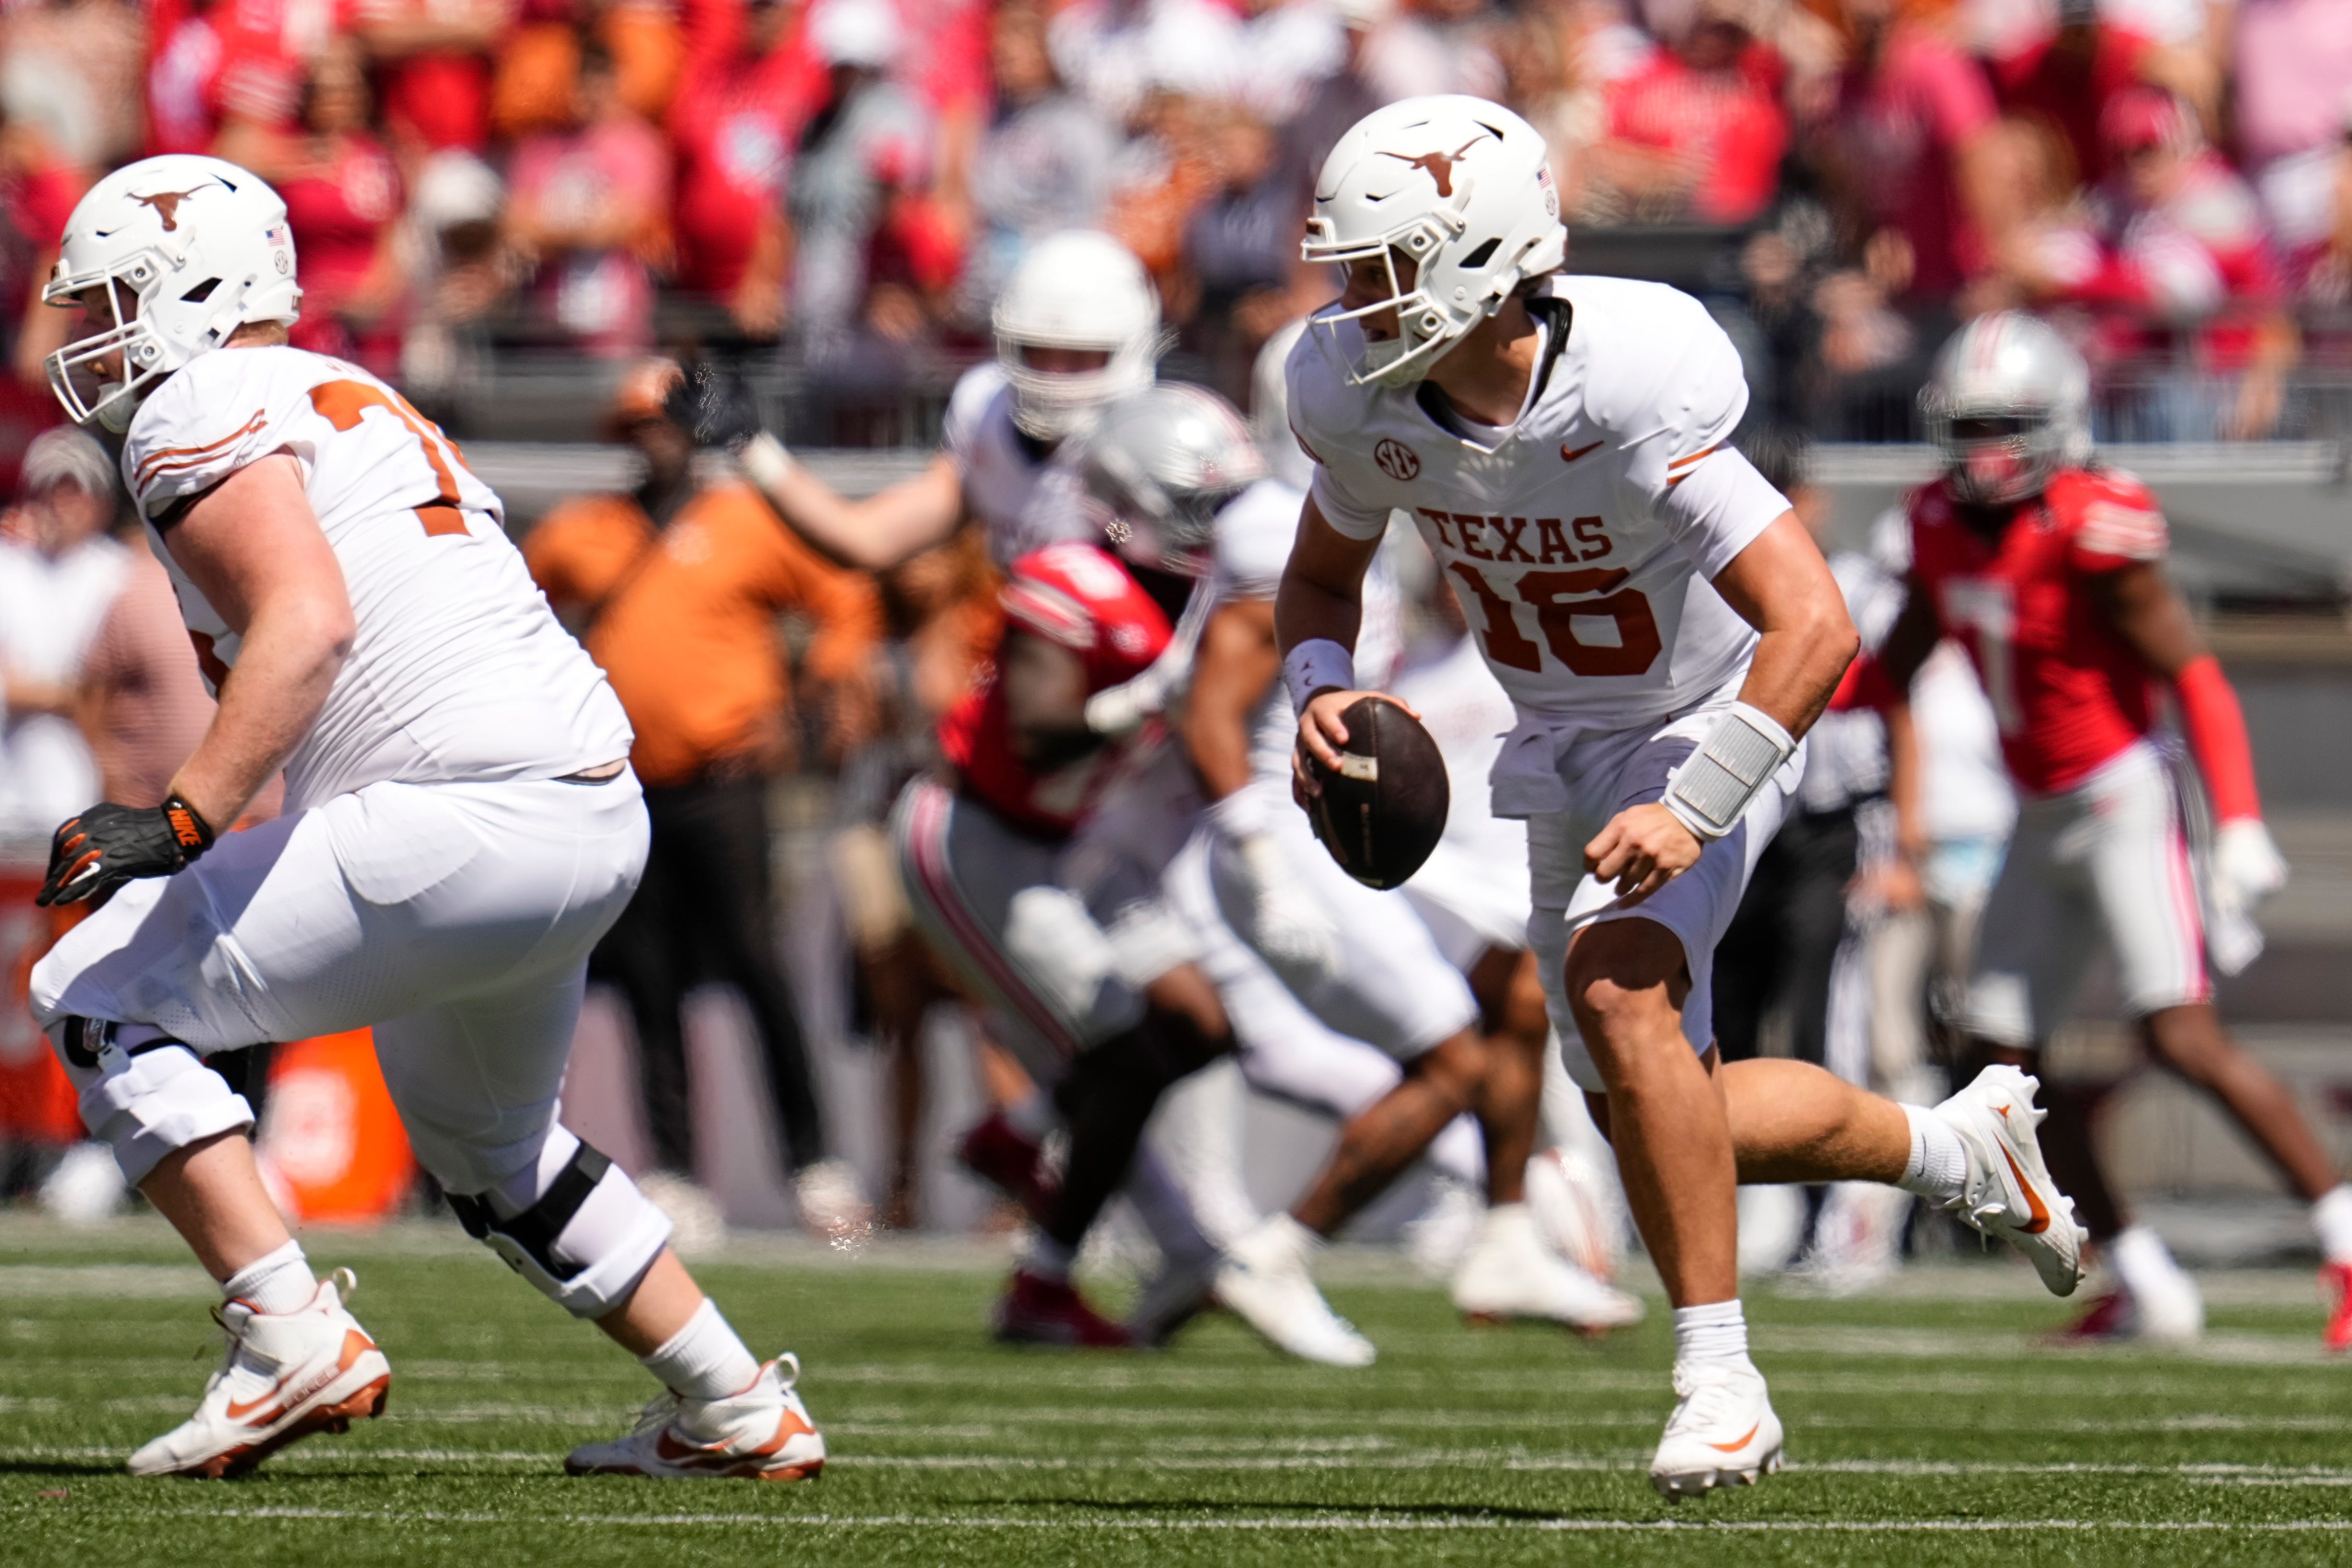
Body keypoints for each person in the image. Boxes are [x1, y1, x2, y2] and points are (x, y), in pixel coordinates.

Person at [1275, 96, 2086, 1498]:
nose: (1353, 305)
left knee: (1615, 994)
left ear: (1479, 261)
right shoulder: (1350, 395)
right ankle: (1952, 1148)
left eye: (1383, 270)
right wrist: (1316, 687)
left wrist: (1697, 801)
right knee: (1646, 1107)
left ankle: (1721, 1382)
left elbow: (1813, 625)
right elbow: (1317, 584)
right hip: (1558, 736)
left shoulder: (1634, 373)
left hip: (1703, 720)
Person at [29, 153, 820, 1482]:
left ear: (195, 291)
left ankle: (287, 1331)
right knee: (493, 1149)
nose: (94, 341)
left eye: (114, 301)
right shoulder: (353, 396)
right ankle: (734, 1401)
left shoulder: (202, 402)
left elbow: (308, 621)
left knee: (97, 990)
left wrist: (183, 813)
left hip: (461, 809)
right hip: (584, 805)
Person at [1114, 381, 1640, 1364]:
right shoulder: (1278, 525)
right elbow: (1214, 708)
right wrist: (1259, 856)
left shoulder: (1332, 510)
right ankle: (1276, 1250)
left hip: (1341, 836)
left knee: (1521, 986)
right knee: (1453, 1063)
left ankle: (1507, 1234)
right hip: (1293, 839)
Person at [1864, 311, 2352, 1350]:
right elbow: (1892, 669)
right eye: (1973, 425)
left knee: (2177, 1036)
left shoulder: (2095, 520)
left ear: (2062, 421)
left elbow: (2194, 672)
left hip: (2125, 794)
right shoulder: (1935, 523)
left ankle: (2343, 1234)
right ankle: (2139, 1276)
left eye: (2010, 425)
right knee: (2002, 1070)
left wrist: (2245, 820)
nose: (1988, 450)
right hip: (2036, 813)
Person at [523, 359, 880, 1239]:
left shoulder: (749, 523)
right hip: (626, 786)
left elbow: (846, 591)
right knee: (649, 981)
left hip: (727, 778)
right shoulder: (585, 532)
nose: (657, 441)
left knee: (761, 969)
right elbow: (512, 613)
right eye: (642, 427)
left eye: (667, 425)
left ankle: (815, 1166)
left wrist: (821, 687)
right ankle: (679, 1172)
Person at [892, 538, 1233, 1345]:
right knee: (1125, 1061)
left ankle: (1024, 1127)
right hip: (972, 833)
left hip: (1059, 846)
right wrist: (1143, 700)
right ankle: (1042, 1283)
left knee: (1197, 1026)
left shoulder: (1193, 615)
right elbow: (1039, 734)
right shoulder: (1080, 584)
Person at [739, 226, 1162, 575]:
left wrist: (1122, 534)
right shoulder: (986, 412)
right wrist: (750, 446)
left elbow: (1167, 578)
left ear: (1130, 351)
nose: (1054, 376)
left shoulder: (1164, 444)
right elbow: (866, 538)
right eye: (1038, 350)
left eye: (1079, 357)